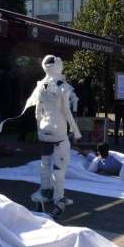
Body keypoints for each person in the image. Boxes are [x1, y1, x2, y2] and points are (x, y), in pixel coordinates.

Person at [28, 55, 82, 218]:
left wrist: (39, 129)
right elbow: (66, 111)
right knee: (60, 167)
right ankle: (59, 197)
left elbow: (37, 111)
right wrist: (76, 130)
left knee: (45, 163)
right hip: (58, 131)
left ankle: (45, 191)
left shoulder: (40, 86)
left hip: (44, 130)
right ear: (58, 67)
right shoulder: (63, 86)